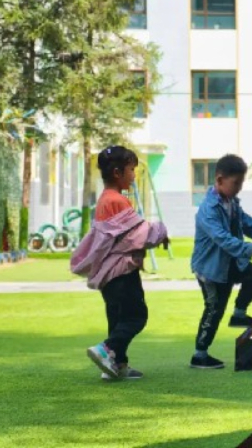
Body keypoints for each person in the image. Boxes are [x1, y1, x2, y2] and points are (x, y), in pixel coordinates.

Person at [70, 146, 170, 381]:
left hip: (108, 274)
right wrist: (161, 231)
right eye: (131, 170)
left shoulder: (104, 199)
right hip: (122, 270)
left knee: (117, 319)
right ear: (117, 172)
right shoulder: (117, 200)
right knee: (136, 316)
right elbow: (138, 235)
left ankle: (117, 365)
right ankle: (107, 349)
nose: (134, 175)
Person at [190, 154, 252, 369]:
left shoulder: (231, 203)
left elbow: (246, 222)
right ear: (220, 180)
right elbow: (220, 237)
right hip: (210, 269)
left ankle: (239, 313)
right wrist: (245, 248)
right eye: (236, 183)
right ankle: (199, 354)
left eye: (241, 183)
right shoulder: (208, 210)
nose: (239, 188)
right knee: (214, 309)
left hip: (228, 264)